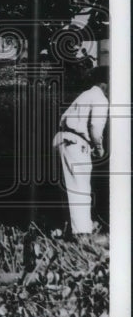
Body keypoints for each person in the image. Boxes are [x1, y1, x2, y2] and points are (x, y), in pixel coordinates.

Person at [53, 67, 109, 236]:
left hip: (62, 139)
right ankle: (82, 234)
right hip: (75, 142)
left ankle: (67, 229)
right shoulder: (100, 98)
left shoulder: (85, 95)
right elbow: (95, 128)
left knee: (68, 187)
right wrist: (100, 150)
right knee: (80, 187)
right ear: (105, 83)